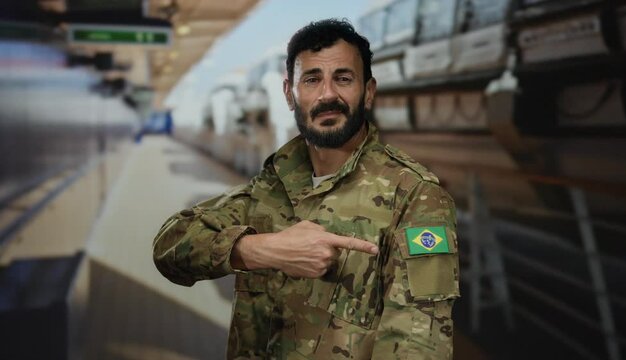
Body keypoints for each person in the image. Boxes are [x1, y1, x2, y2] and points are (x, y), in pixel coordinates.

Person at [153, 19, 459, 360]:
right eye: (312, 80)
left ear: (368, 91)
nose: (328, 94)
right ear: (289, 94)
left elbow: (418, 343)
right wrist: (260, 249)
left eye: (343, 78)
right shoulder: (271, 187)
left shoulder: (414, 195)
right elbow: (170, 247)